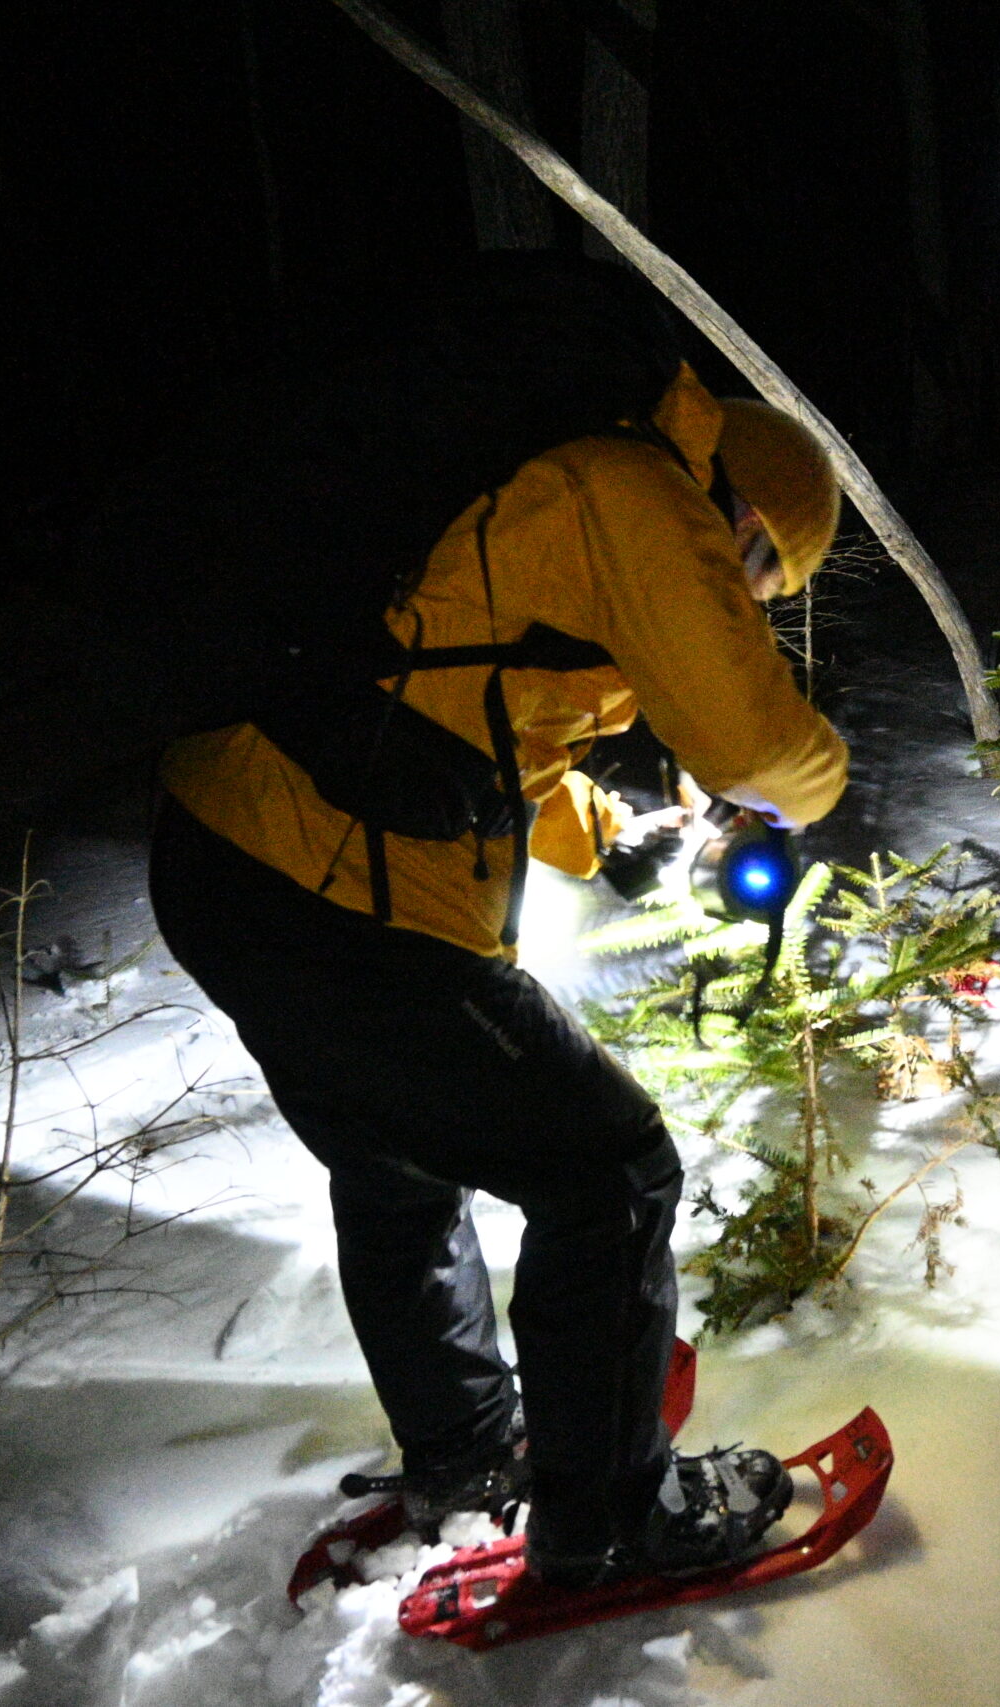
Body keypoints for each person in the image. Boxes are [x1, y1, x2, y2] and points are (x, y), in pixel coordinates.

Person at [148, 256, 849, 1589]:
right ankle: (613, 1521)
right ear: (743, 508)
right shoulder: (635, 488)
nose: (751, 594)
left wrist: (604, 830)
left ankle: (470, 1452)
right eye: (764, 571)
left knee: (398, 1164)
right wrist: (809, 785)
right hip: (334, 899)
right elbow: (761, 746)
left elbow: (468, 703)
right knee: (611, 1172)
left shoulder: (548, 484)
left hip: (230, 852)